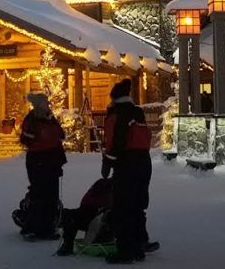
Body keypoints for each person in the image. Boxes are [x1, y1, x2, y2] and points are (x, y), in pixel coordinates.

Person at [102, 79, 154, 264]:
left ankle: (125, 250)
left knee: (122, 207)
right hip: (144, 162)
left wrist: (108, 162)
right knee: (137, 204)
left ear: (115, 98)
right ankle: (139, 242)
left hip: (127, 162)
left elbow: (117, 141)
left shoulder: (119, 114)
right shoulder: (137, 112)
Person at [19, 92, 66, 240]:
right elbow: (26, 138)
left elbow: (61, 134)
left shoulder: (51, 118)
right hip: (38, 161)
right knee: (39, 194)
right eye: (45, 103)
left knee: (52, 196)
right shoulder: (32, 120)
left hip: (53, 160)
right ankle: (35, 227)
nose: (48, 105)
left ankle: (49, 227)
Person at [57, 177, 113, 256]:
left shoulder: (106, 186)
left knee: (70, 216)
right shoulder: (105, 186)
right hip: (89, 212)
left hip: (95, 213)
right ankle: (68, 245)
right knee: (70, 216)